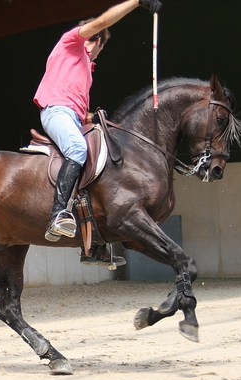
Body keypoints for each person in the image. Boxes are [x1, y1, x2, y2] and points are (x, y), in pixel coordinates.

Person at [33, 0, 162, 243]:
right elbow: (102, 22)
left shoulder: (86, 69)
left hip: (72, 117)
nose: (92, 45)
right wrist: (136, 2)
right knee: (77, 149)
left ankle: (93, 239)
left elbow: (79, 109)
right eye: (91, 38)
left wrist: (91, 116)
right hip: (56, 111)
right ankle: (57, 214)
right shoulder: (71, 43)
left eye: (96, 41)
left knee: (104, 162)